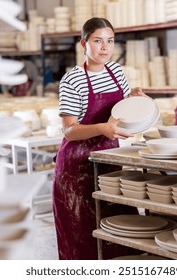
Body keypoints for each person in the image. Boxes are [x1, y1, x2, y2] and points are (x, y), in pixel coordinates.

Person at [52, 17, 144, 260]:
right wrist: (102, 128)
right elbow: (69, 130)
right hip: (77, 167)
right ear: (84, 43)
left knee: (121, 227)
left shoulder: (115, 71)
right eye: (98, 41)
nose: (105, 47)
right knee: (83, 235)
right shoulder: (72, 80)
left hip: (109, 160)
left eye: (110, 41)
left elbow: (121, 106)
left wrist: (134, 97)